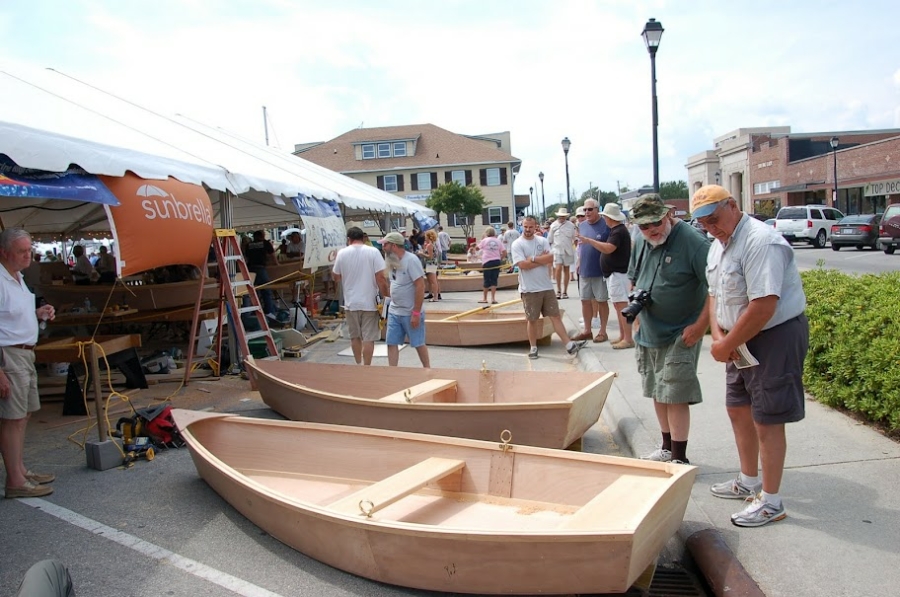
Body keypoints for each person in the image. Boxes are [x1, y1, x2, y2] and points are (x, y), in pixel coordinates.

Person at [694, 184, 809, 528]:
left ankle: (771, 502)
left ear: (732, 205)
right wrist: (717, 336)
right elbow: (714, 294)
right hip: (736, 340)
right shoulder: (718, 244)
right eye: (704, 224)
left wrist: (726, 345)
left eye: (714, 219)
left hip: (772, 337)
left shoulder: (761, 241)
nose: (711, 228)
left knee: (767, 418)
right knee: (738, 408)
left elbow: (764, 306)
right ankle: (748, 479)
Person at [627, 194, 710, 467]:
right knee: (656, 390)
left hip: (680, 332)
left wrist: (700, 327)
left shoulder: (694, 242)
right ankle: (665, 448)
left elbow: (717, 288)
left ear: (668, 215)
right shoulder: (641, 239)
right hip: (648, 330)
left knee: (675, 394)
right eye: (643, 226)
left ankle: (679, 458)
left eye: (655, 223)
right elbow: (633, 277)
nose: (651, 231)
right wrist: (635, 315)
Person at [1, 229, 57, 499]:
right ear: (4, 252)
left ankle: (19, 470)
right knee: (12, 418)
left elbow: (11, 315)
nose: (28, 255)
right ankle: (14, 480)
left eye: (29, 249)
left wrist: (37, 313)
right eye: (22, 251)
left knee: (23, 415)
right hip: (9, 355)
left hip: (23, 353)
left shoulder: (17, 277)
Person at [510, 216, 586, 360]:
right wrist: (540, 259)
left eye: (530, 227)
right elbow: (522, 265)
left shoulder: (543, 241)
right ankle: (533, 347)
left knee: (555, 316)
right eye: (525, 226)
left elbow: (551, 258)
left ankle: (569, 345)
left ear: (535, 227)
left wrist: (532, 259)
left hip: (546, 286)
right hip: (529, 289)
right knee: (532, 320)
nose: (527, 229)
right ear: (522, 226)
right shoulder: (517, 244)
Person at [332, 227, 390, 366]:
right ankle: (367, 366)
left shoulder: (342, 253)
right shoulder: (373, 252)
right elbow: (381, 278)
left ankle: (358, 364)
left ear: (348, 239)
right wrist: (387, 298)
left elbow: (336, 277)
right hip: (370, 302)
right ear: (363, 238)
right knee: (369, 338)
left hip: (351, 302)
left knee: (355, 337)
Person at [585, 203, 634, 349]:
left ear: (608, 217)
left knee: (622, 307)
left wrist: (590, 241)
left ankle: (628, 338)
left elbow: (608, 248)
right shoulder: (617, 230)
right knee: (618, 306)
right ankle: (623, 335)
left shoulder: (618, 232)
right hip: (614, 274)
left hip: (618, 274)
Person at [379, 232, 430, 368]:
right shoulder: (391, 261)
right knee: (391, 342)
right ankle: (393, 371)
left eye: (385, 244)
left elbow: (420, 285)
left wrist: (416, 313)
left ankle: (427, 369)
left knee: (418, 343)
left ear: (394, 245)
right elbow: (392, 283)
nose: (383, 247)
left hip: (410, 312)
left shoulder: (411, 260)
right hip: (395, 311)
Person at [573, 199, 610, 343]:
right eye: (585, 210)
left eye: (590, 209)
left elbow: (609, 246)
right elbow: (581, 247)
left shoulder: (606, 225)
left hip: (600, 269)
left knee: (601, 301)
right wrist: (579, 262)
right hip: (584, 269)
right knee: (585, 300)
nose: (586, 212)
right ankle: (587, 331)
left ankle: (603, 331)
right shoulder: (581, 226)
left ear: (597, 209)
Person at [243, 230, 277, 315]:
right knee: (266, 291)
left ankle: (255, 311)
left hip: (251, 269)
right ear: (261, 236)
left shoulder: (249, 245)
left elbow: (246, 258)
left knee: (253, 292)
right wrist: (277, 264)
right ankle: (269, 312)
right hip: (261, 269)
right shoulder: (265, 243)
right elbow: (272, 255)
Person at [547, 207, 577, 299]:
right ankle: (558, 290)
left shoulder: (571, 225)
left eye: (563, 216)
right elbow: (550, 239)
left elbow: (574, 238)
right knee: (558, 268)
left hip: (568, 250)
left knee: (566, 270)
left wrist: (576, 248)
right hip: (557, 250)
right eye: (560, 216)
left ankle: (565, 291)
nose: (562, 218)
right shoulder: (553, 225)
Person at [477, 227, 505, 304]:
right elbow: (504, 252)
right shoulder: (498, 241)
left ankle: (485, 298)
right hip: (496, 261)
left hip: (487, 261)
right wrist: (500, 258)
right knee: (494, 280)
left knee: (486, 279)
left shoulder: (484, 240)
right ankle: (493, 298)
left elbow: (477, 248)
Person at [419, 229, 441, 301]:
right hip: (430, 263)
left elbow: (430, 256)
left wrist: (422, 254)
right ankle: (432, 294)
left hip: (431, 264)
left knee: (433, 281)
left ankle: (435, 297)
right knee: (430, 280)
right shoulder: (430, 244)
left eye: (426, 236)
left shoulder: (430, 245)